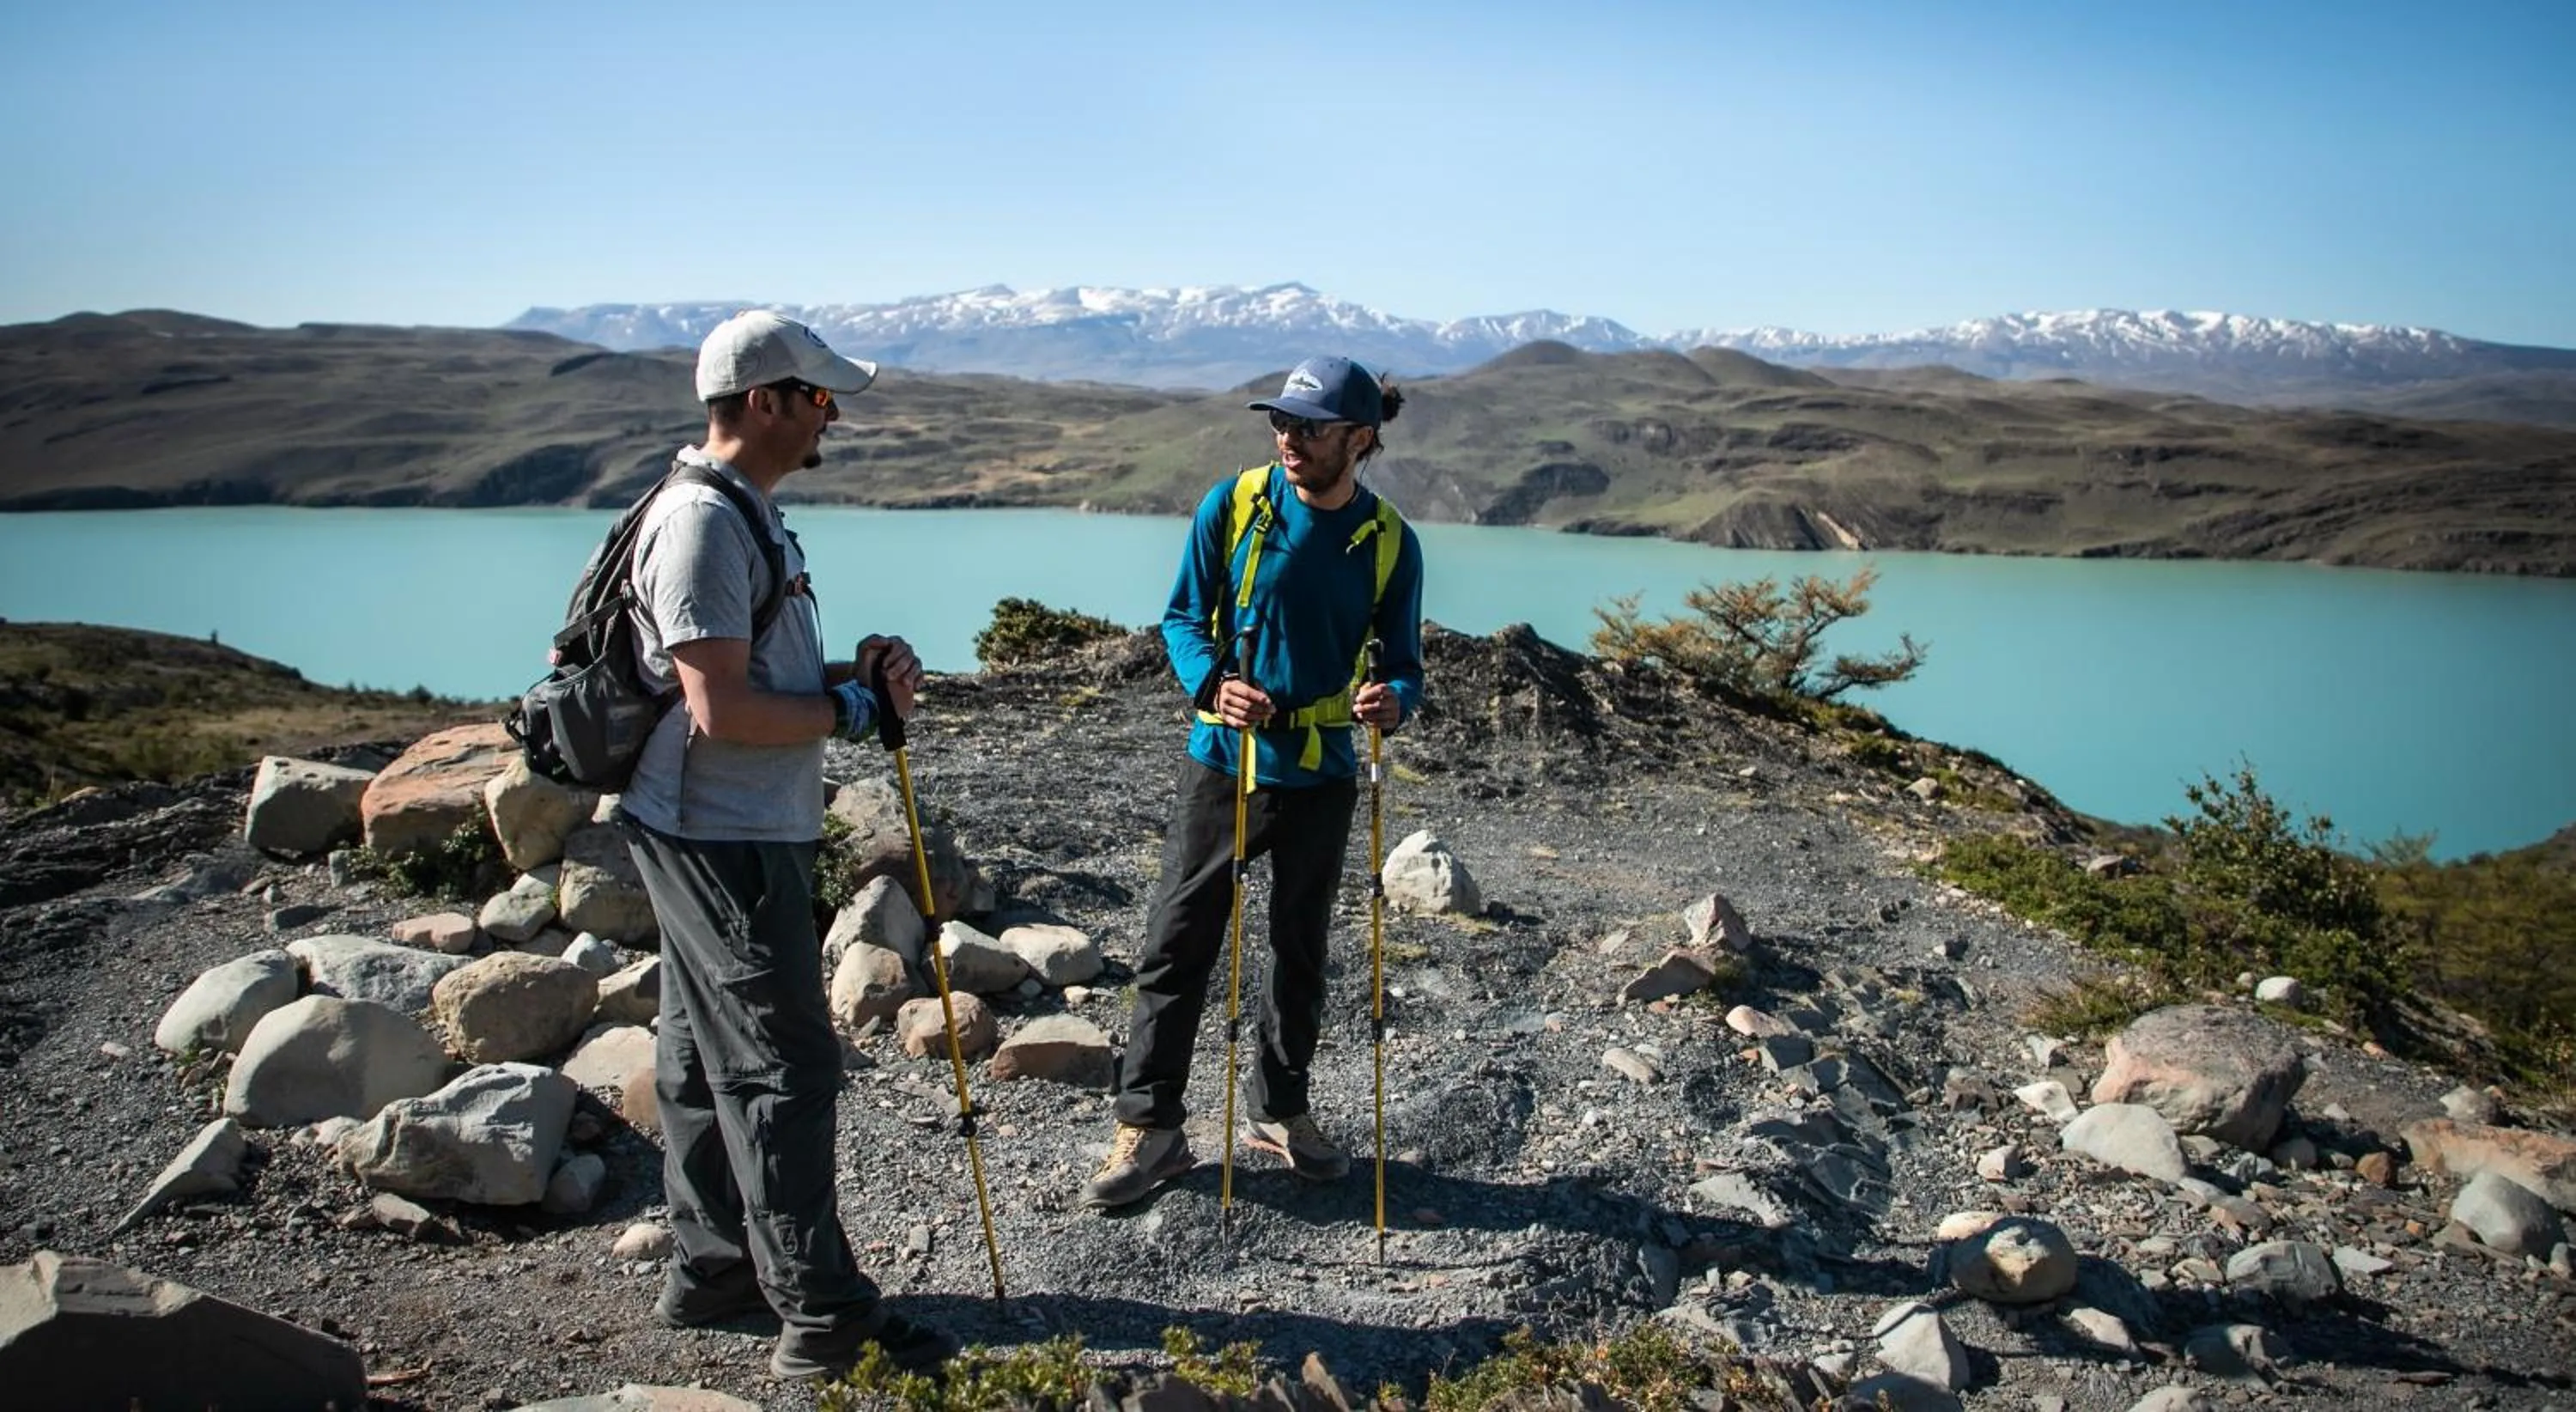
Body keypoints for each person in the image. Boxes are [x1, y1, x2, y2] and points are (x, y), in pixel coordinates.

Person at [618, 309, 950, 1379]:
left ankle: (714, 1268)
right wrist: (854, 715)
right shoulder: (706, 526)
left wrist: (853, 678)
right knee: (783, 1066)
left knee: (696, 1049)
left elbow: (751, 683)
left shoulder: (739, 513)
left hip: (712, 826)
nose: (830, 416)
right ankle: (823, 1319)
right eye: (816, 398)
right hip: (721, 835)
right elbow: (723, 712)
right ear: (763, 402)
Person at [1083, 355, 1425, 1209]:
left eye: (1309, 426)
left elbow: (1408, 666)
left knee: (1299, 948)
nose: (1288, 437)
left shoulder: (1388, 544)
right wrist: (1209, 682)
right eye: (1281, 421)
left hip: (1322, 770)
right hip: (1224, 760)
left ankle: (1280, 1109)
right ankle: (1151, 1125)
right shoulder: (1234, 505)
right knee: (1178, 936)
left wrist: (1393, 701)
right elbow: (1181, 616)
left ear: (1360, 439)